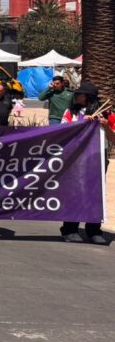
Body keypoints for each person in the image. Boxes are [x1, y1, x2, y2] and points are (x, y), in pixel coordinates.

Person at [58, 80, 113, 244]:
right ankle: (70, 229)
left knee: (96, 194)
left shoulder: (107, 114)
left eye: (79, 94)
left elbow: (113, 138)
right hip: (76, 157)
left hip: (97, 156)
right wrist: (80, 123)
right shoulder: (70, 112)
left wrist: (106, 126)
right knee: (74, 192)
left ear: (88, 97)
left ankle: (94, 230)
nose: (75, 96)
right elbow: (62, 132)